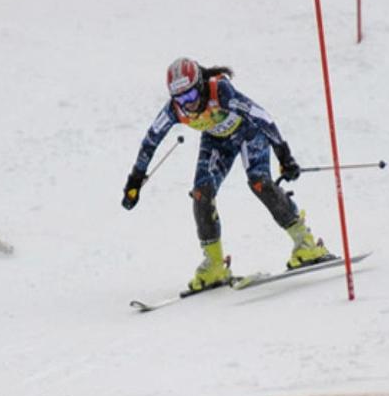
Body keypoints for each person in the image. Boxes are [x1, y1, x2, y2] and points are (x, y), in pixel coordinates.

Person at [122, 57, 333, 291]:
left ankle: (306, 244)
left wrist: (284, 154)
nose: (187, 104)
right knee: (202, 194)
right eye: (180, 99)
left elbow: (261, 116)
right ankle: (214, 265)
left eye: (190, 96)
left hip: (249, 133)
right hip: (216, 141)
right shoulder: (174, 109)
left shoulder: (220, 90)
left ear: (200, 85)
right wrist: (135, 180)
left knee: (259, 183)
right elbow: (151, 140)